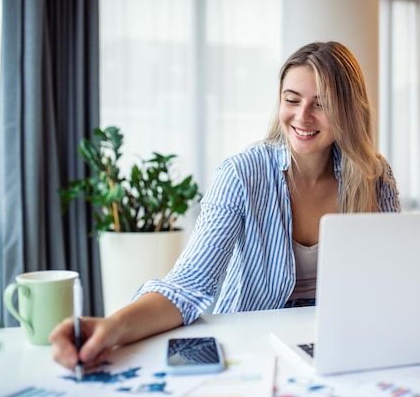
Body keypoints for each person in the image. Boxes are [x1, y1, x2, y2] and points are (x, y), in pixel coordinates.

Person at [50, 41, 401, 370]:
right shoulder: (242, 174)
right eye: (291, 100)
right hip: (255, 346)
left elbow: (395, 277)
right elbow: (188, 284)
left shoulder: (374, 175)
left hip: (342, 341)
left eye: (321, 103)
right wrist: (111, 326)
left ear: (348, 110)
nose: (303, 116)